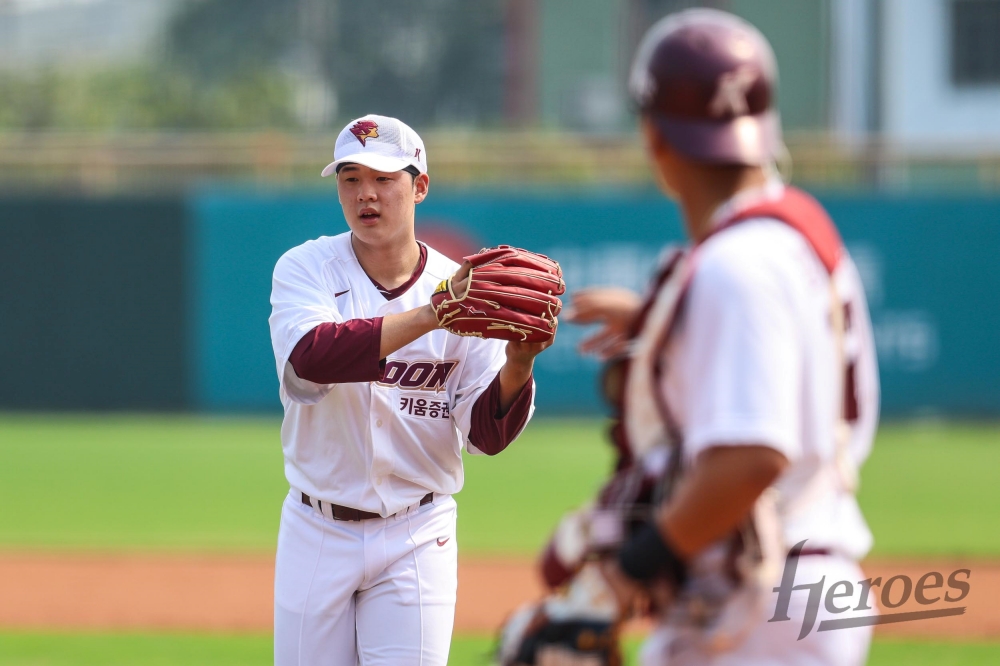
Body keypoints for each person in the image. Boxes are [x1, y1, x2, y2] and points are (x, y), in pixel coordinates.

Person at [568, 9, 880, 666]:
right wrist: (663, 318)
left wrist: (625, 573)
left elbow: (749, 459)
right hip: (796, 582)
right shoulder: (792, 232)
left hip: (762, 598)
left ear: (655, 138)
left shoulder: (737, 268)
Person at [268, 114, 553, 665]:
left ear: (419, 186)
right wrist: (433, 315)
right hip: (316, 527)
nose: (365, 194)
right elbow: (312, 358)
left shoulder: (466, 296)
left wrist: (519, 364)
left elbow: (486, 436)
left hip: (416, 534)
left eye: (384, 178)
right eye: (350, 178)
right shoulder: (304, 268)